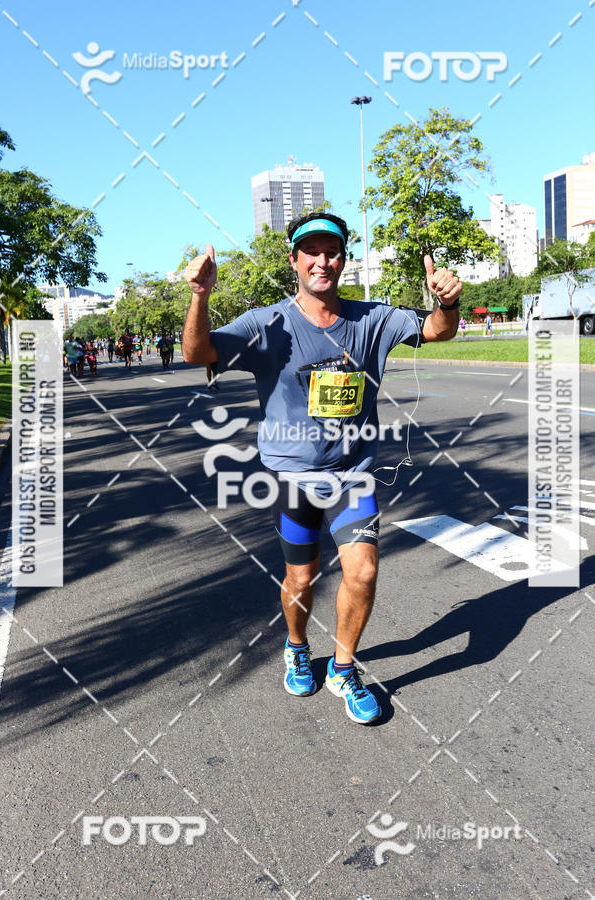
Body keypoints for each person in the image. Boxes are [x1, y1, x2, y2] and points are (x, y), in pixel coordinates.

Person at [181, 212, 461, 725]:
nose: (322, 260)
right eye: (311, 251)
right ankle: (295, 645)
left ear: (344, 259)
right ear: (294, 260)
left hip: (353, 475)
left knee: (364, 570)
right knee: (301, 576)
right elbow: (197, 351)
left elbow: (436, 331)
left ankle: (344, 666)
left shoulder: (372, 318)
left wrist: (449, 301)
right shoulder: (268, 324)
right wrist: (199, 296)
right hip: (293, 478)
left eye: (332, 251)